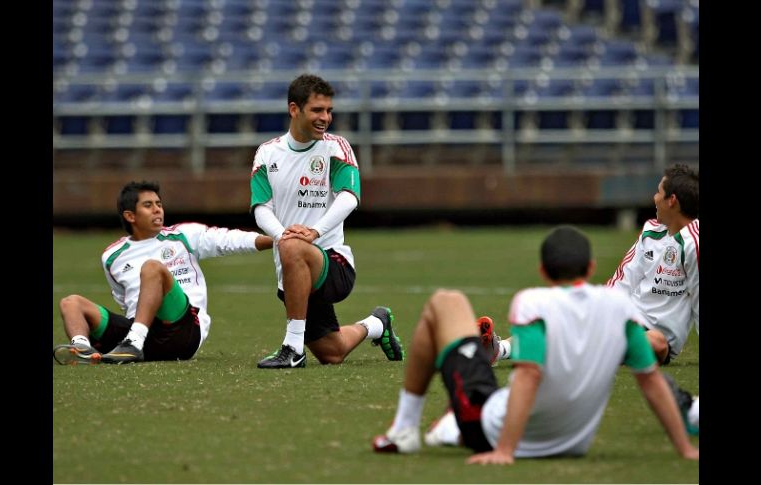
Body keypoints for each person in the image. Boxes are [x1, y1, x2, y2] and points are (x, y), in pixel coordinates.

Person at [372, 226, 698, 463]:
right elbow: (652, 380)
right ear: (591, 268)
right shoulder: (620, 308)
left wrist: (504, 451)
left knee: (446, 301)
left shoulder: (532, 302)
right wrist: (684, 449)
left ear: (542, 271)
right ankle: (449, 422)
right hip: (572, 444)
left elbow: (528, 375)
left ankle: (405, 428)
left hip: (491, 429)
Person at [249, 73, 403, 369]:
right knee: (333, 353)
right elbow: (260, 208)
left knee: (292, 247)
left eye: (329, 110)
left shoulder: (336, 147)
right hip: (292, 272)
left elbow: (349, 197)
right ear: (294, 109)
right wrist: (283, 233)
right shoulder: (267, 153)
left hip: (334, 264)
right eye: (317, 110)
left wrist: (312, 232)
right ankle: (377, 323)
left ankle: (292, 349)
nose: (326, 118)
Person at [52, 180, 273, 365]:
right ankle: (81, 349)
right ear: (130, 216)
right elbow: (124, 300)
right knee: (71, 303)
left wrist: (277, 239)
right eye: (148, 205)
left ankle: (134, 343)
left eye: (159, 204)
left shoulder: (183, 235)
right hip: (141, 333)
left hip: (183, 333)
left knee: (153, 268)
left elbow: (231, 240)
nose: (158, 209)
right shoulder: (112, 256)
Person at [607, 164, 699, 365]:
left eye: (659, 192)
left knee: (656, 342)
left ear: (672, 201)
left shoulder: (694, 243)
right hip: (623, 322)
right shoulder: (651, 231)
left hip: (656, 338)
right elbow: (622, 281)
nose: (655, 198)